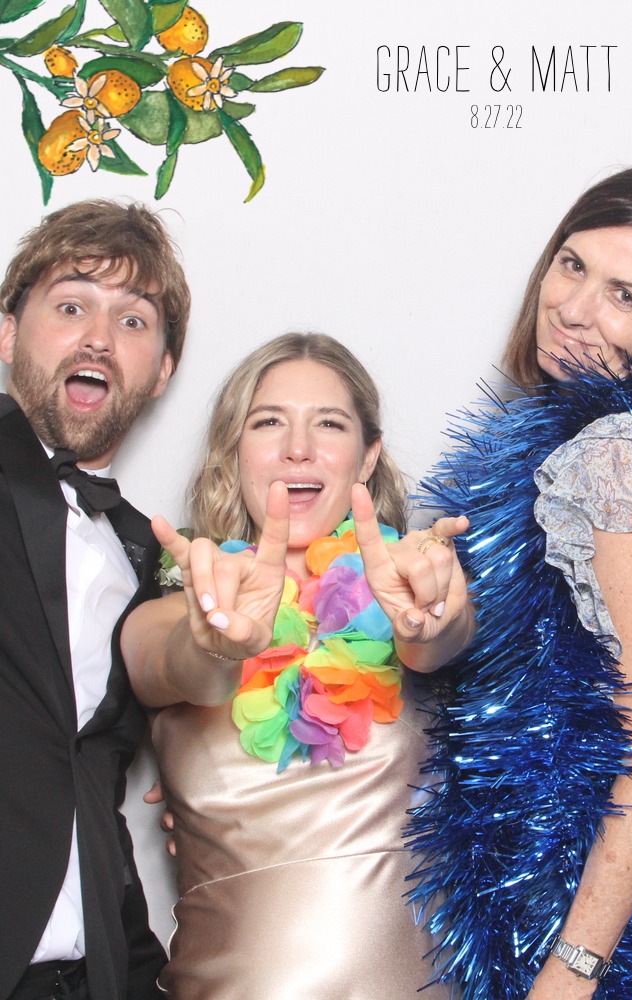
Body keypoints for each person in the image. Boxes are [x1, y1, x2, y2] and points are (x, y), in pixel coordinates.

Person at [406, 163, 632, 999]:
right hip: (520, 896)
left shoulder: (621, 458)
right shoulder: (537, 440)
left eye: (625, 296)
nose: (574, 307)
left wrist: (574, 971)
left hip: (592, 928)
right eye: (572, 265)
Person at [121, 332, 473, 1000]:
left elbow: (441, 641)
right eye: (268, 422)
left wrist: (433, 620)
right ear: (234, 449)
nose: (298, 448)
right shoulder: (165, 616)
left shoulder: (420, 582)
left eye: (329, 424)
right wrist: (216, 639)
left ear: (367, 455)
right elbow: (177, 664)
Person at [0, 200, 189, 999]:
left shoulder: (151, 551)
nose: (99, 339)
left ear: (161, 371)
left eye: (132, 321)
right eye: (72, 307)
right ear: (7, 333)